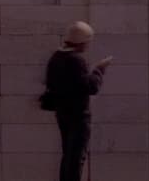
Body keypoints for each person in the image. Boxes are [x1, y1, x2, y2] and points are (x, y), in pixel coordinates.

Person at [37, 21, 101, 180]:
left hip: (63, 113)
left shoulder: (56, 57)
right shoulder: (76, 60)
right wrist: (99, 71)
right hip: (78, 116)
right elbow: (90, 87)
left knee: (68, 156)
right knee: (76, 158)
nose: (88, 45)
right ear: (82, 42)